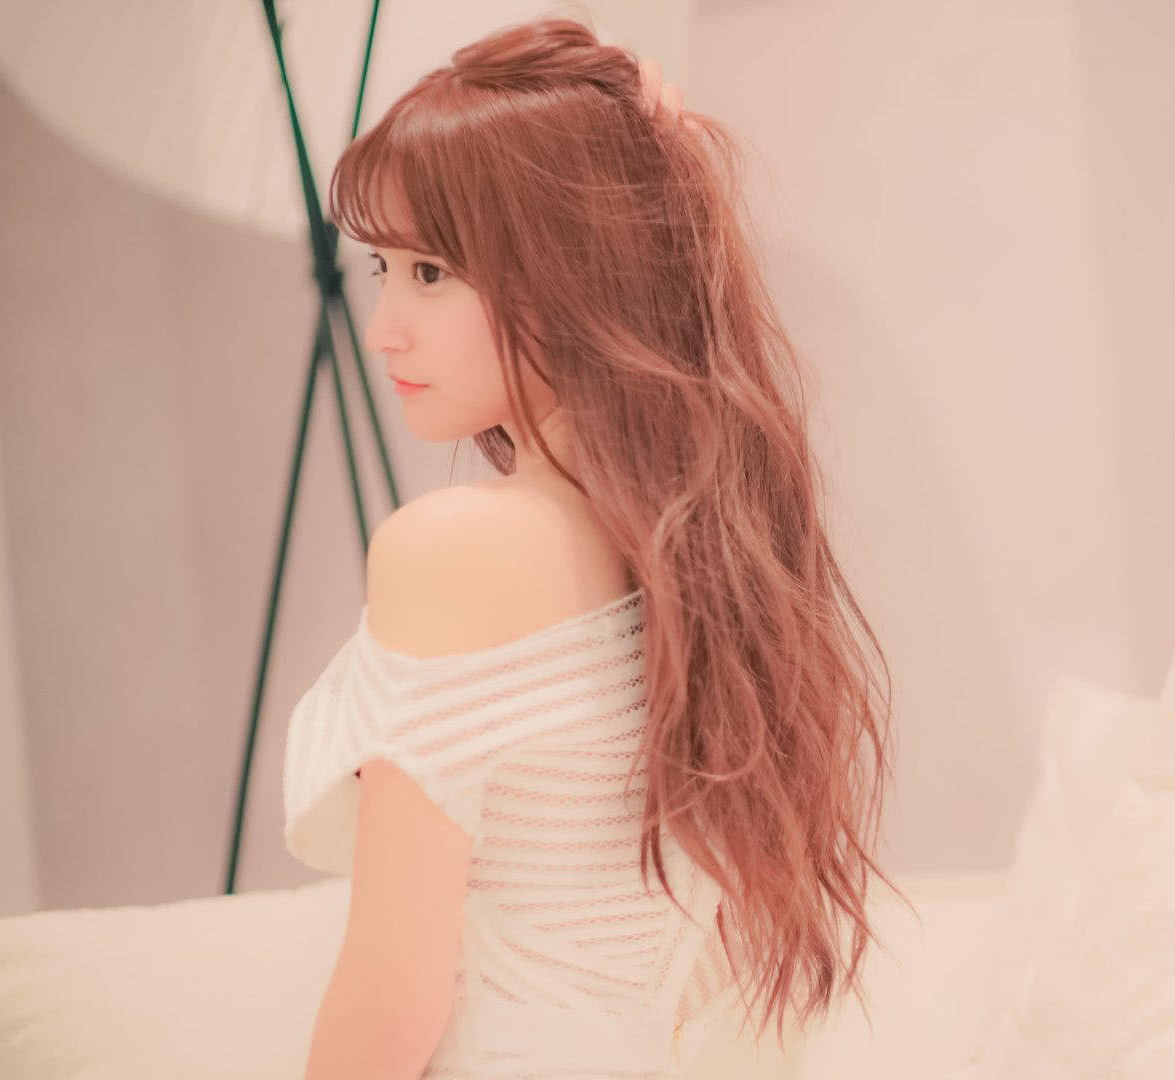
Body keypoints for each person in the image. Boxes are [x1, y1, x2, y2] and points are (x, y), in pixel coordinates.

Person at [279, 15, 904, 1078]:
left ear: (571, 267)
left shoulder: (453, 551)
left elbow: (391, 997)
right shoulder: (708, 542)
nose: (386, 327)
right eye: (383, 266)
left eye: (432, 271)